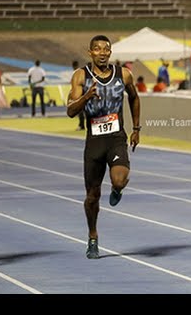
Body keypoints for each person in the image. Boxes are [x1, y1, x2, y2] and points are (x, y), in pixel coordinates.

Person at [66, 35, 140, 259]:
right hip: (94, 142)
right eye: (97, 49)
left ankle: (117, 189)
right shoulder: (81, 76)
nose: (102, 52)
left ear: (110, 52)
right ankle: (92, 236)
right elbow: (70, 111)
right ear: (90, 53)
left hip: (116, 137)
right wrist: (86, 96)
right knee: (92, 196)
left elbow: (134, 98)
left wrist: (136, 128)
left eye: (106, 49)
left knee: (119, 179)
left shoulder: (123, 74)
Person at [72, 60, 85, 131]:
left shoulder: (75, 73)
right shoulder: (81, 71)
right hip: (84, 92)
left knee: (80, 110)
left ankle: (81, 125)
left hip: (78, 94)